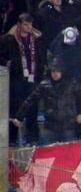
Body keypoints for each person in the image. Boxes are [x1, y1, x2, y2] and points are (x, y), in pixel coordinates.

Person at [11, 63, 81, 144]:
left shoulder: (72, 84)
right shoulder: (45, 85)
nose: (55, 74)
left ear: (62, 72)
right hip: (50, 126)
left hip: (68, 126)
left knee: (68, 154)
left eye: (58, 71)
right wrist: (19, 116)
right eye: (53, 71)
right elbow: (30, 101)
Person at [0, 13, 46, 145]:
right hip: (17, 80)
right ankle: (12, 139)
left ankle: (32, 139)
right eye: (25, 24)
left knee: (32, 109)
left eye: (30, 24)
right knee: (15, 109)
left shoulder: (36, 39)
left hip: (33, 79)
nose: (28, 27)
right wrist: (7, 63)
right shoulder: (9, 39)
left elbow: (41, 56)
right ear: (19, 25)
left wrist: (42, 70)